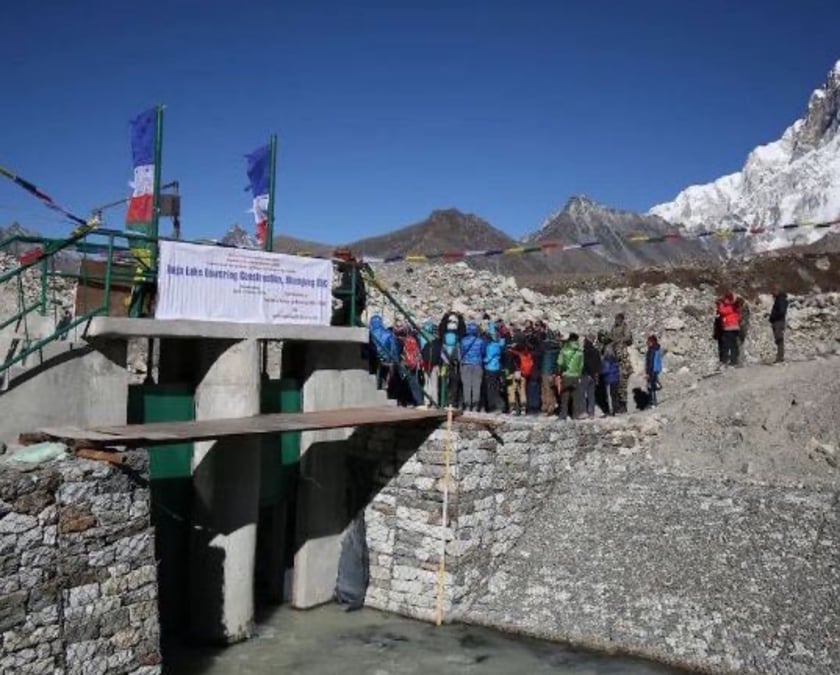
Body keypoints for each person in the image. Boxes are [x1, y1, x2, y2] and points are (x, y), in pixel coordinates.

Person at [331, 249, 366, 326]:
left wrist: (334, 292)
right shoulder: (350, 269)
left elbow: (348, 288)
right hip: (352, 303)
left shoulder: (350, 270)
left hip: (354, 304)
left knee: (337, 321)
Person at [556, 333, 584, 420]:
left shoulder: (564, 350)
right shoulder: (580, 352)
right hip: (576, 376)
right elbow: (581, 365)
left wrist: (560, 371)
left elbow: (560, 363)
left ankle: (563, 415)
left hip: (566, 375)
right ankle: (575, 415)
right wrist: (579, 374)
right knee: (575, 396)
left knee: (565, 396)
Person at [609, 313, 633, 414]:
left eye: (618, 319)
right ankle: (617, 406)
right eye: (615, 319)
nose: (616, 321)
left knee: (622, 384)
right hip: (615, 356)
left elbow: (628, 337)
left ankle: (623, 405)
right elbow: (610, 336)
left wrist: (619, 341)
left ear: (622, 319)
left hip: (622, 357)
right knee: (615, 384)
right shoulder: (613, 327)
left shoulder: (625, 327)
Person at [459, 321, 485, 411]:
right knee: (476, 385)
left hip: (466, 364)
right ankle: (475, 405)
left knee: (466, 385)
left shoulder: (463, 341)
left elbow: (461, 352)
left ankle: (467, 405)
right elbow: (483, 352)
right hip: (477, 364)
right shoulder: (480, 341)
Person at [597, 333, 621, 416]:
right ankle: (616, 409)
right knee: (615, 394)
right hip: (616, 378)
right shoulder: (615, 360)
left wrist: (600, 372)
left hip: (609, 379)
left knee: (609, 395)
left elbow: (605, 371)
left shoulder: (606, 360)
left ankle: (611, 410)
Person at [716, 291, 741, 366]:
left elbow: (722, 311)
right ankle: (734, 360)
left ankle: (725, 360)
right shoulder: (736, 307)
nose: (724, 300)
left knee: (726, 345)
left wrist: (720, 305)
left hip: (729, 328)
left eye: (726, 299)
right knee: (733, 344)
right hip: (735, 328)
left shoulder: (730, 307)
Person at [540, 329, 560, 415]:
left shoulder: (544, 347)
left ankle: (548, 408)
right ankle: (552, 405)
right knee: (551, 390)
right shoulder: (557, 348)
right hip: (553, 372)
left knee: (546, 390)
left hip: (545, 370)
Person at [505, 340, 529, 415]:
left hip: (511, 374)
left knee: (511, 390)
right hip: (522, 374)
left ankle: (513, 408)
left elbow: (507, 365)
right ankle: (523, 408)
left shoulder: (510, 353)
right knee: (522, 390)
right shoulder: (524, 351)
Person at [581, 333, 602, 418]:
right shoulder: (596, 351)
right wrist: (596, 374)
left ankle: (584, 412)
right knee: (591, 395)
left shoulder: (585, 351)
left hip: (586, 374)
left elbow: (584, 363)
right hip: (593, 376)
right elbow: (599, 364)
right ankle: (591, 412)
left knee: (583, 394)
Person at [482, 334, 503, 412]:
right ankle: (498, 405)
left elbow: (488, 358)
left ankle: (492, 406)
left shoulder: (490, 347)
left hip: (490, 368)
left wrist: (482, 361)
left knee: (490, 388)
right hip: (497, 367)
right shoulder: (497, 346)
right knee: (495, 387)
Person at [769, 289, 788, 363]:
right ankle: (779, 357)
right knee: (778, 339)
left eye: (774, 291)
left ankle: (780, 357)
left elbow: (781, 311)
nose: (772, 294)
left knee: (779, 339)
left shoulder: (781, 300)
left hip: (778, 322)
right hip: (777, 321)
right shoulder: (779, 299)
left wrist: (773, 316)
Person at [645, 334, 663, 407]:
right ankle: (652, 401)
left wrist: (648, 372)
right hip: (655, 369)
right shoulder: (656, 349)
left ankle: (653, 402)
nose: (648, 343)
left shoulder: (652, 350)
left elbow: (651, 362)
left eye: (649, 342)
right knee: (651, 385)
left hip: (652, 370)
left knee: (651, 386)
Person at [735, 296, 750, 365]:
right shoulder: (744, 309)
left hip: (741, 328)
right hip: (742, 328)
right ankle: (740, 359)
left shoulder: (743, 310)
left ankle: (739, 360)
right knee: (739, 344)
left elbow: (742, 319)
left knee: (739, 343)